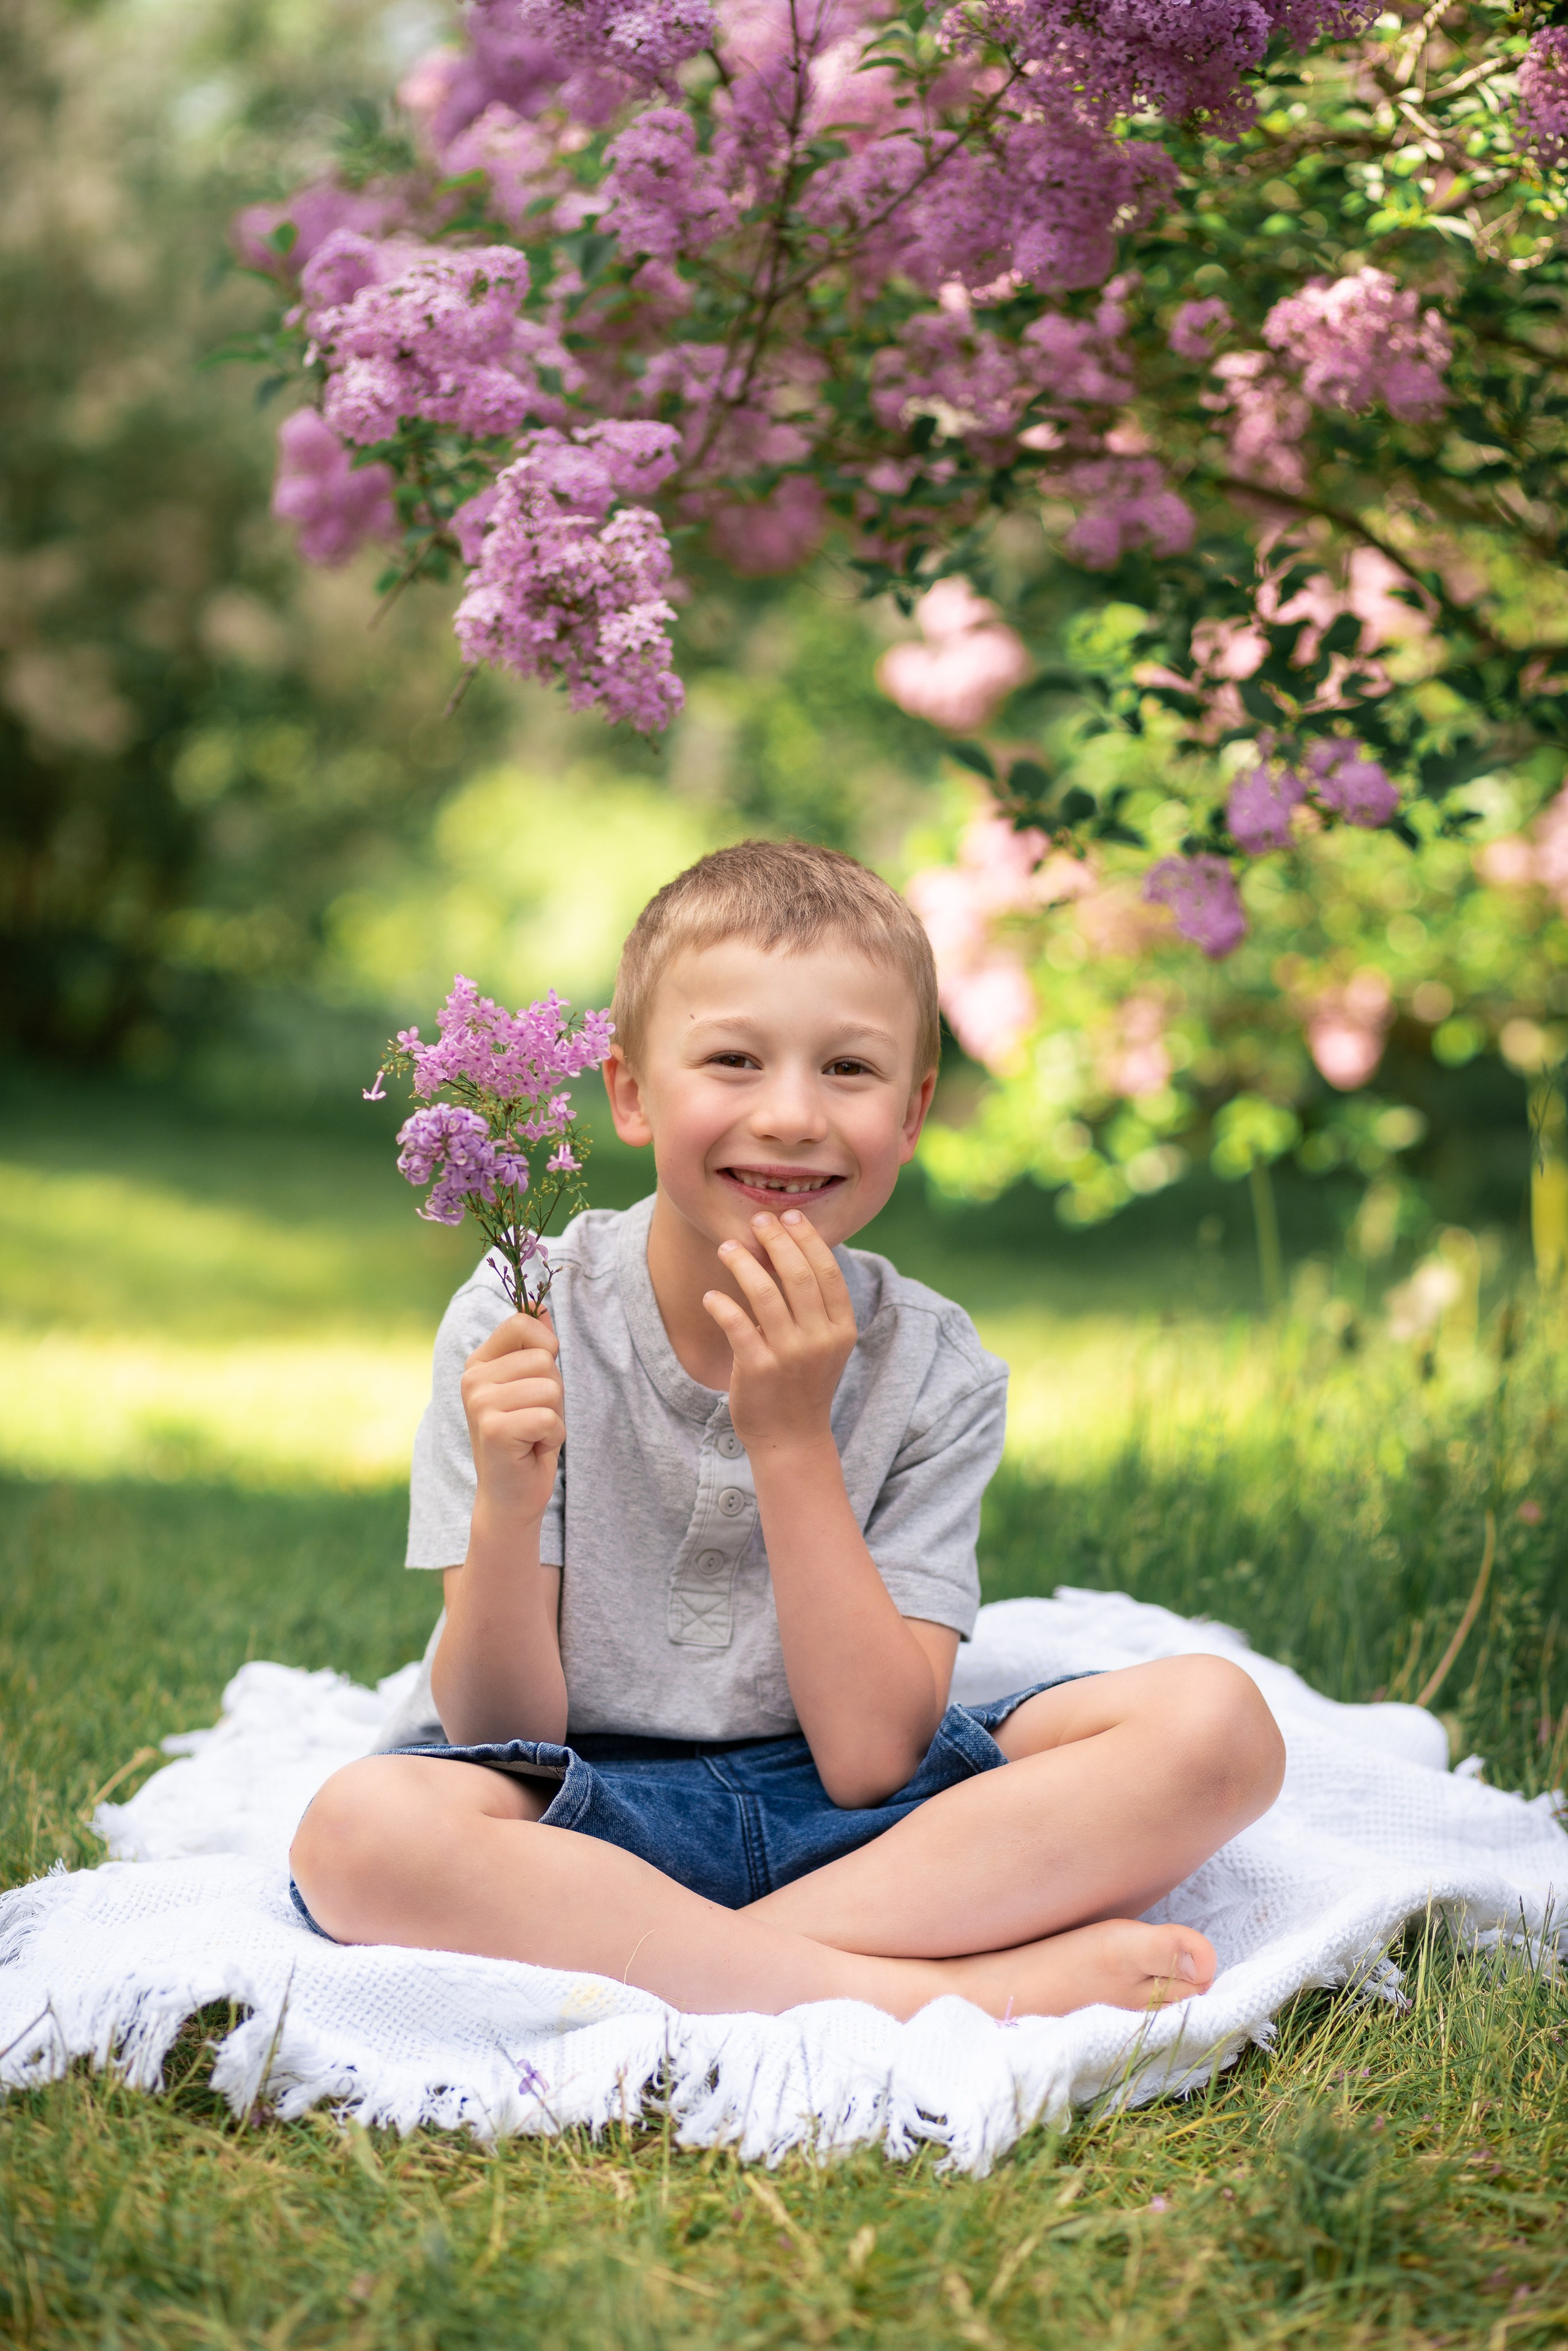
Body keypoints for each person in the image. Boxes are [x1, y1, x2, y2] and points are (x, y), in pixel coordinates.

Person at [290, 841, 1285, 2019]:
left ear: (913, 1112)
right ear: (630, 1090)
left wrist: (791, 1438)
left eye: (851, 1067)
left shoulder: (936, 1367)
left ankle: (710, 1967)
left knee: (1217, 1727)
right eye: (733, 1059)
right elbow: (502, 1731)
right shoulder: (525, 1317)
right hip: (578, 1812)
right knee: (360, 1830)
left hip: (856, 1827)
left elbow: (873, 1756)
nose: (794, 1114)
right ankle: (937, 1991)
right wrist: (508, 1505)